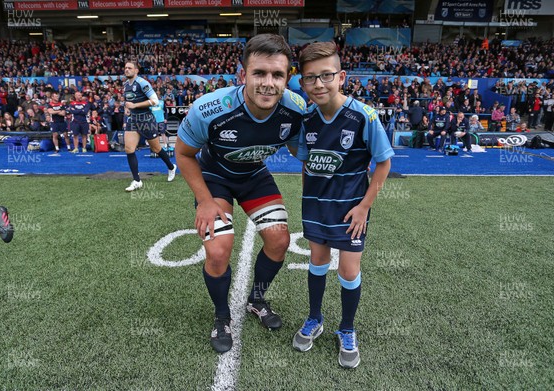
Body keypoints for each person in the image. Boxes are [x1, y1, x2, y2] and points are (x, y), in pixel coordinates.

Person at [175, 34, 306, 354]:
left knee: (279, 240)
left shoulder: (295, 109)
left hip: (254, 176)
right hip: (215, 178)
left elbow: (303, 156)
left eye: (277, 75)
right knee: (218, 250)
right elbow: (183, 154)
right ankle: (222, 317)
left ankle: (256, 298)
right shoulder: (209, 108)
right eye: (259, 73)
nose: (268, 83)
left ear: (288, 77)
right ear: (242, 75)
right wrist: (204, 200)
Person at [292, 41, 393, 369]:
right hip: (316, 207)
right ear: (303, 82)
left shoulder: (363, 116)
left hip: (351, 210)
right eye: (310, 78)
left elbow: (383, 163)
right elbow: (306, 164)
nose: (318, 84)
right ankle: (314, 318)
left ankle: (347, 328)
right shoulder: (307, 118)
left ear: (342, 77)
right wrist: (308, 200)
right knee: (317, 261)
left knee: (348, 270)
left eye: (326, 76)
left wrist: (365, 207)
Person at [123, 61, 177, 192]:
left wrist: (135, 106)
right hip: (133, 120)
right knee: (129, 149)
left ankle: (171, 167)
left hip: (146, 120)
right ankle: (137, 180)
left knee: (156, 148)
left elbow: (155, 100)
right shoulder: (125, 85)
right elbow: (129, 100)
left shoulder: (142, 83)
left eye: (130, 68)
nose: (126, 70)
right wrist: (127, 107)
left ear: (136, 70)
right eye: (125, 68)